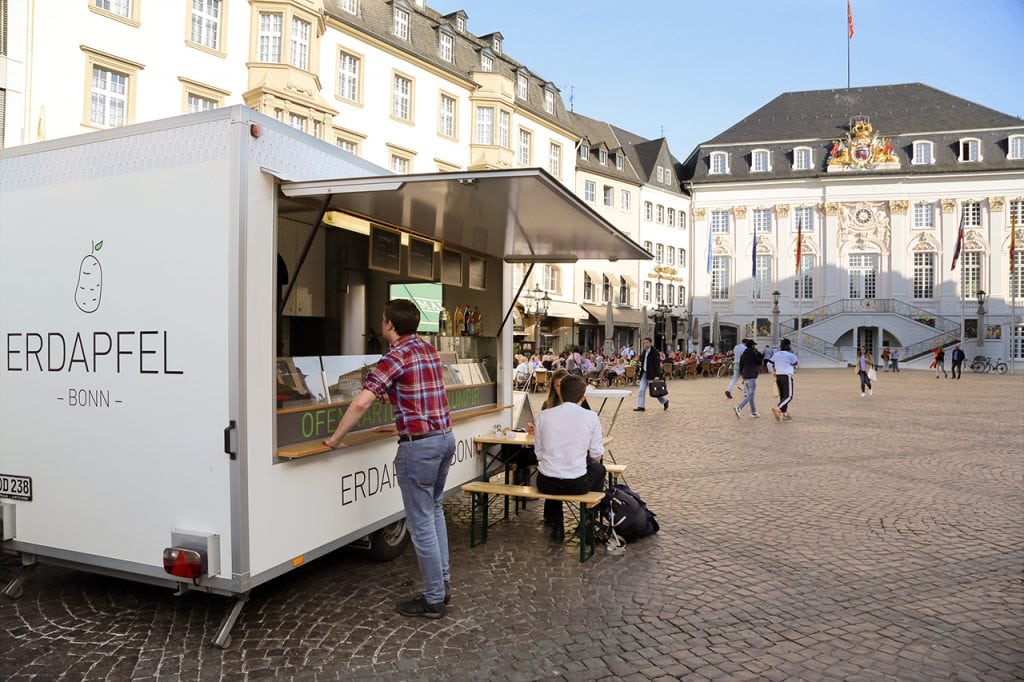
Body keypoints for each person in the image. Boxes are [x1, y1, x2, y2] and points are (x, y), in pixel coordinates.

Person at [323, 299, 454, 619]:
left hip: (419, 448)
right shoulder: (427, 349)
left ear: (390, 325)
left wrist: (335, 439)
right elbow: (420, 395)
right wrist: (400, 420)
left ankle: (434, 597)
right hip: (444, 439)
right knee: (434, 510)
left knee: (420, 521)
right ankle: (443, 583)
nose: (382, 324)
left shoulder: (395, 355)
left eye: (383, 320)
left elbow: (359, 404)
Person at [533, 374, 606, 541]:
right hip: (576, 484)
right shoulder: (591, 417)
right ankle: (588, 520)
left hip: (546, 483)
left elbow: (539, 453)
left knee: (554, 468)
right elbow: (596, 455)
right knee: (599, 469)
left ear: (561, 393)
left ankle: (557, 523)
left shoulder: (543, 416)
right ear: (583, 397)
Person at [634, 337, 668, 411]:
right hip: (644, 373)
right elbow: (642, 363)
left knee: (654, 391)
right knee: (641, 390)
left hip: (651, 374)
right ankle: (641, 406)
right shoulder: (644, 352)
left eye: (646, 342)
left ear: (650, 343)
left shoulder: (655, 352)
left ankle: (665, 401)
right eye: (644, 343)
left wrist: (657, 375)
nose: (645, 344)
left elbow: (657, 365)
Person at [767, 338, 798, 421]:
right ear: (789, 346)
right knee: (789, 396)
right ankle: (778, 408)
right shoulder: (790, 355)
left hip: (778, 376)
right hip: (786, 376)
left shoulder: (776, 354)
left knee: (783, 395)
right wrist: (792, 353)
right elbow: (795, 363)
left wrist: (773, 372)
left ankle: (784, 412)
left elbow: (769, 364)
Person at [734, 339, 763, 418]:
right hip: (751, 375)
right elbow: (759, 362)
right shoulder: (753, 354)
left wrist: (742, 374)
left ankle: (754, 412)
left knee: (750, 394)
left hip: (745, 375)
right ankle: (739, 408)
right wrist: (758, 354)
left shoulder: (743, 354)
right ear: (752, 346)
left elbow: (741, 366)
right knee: (751, 394)